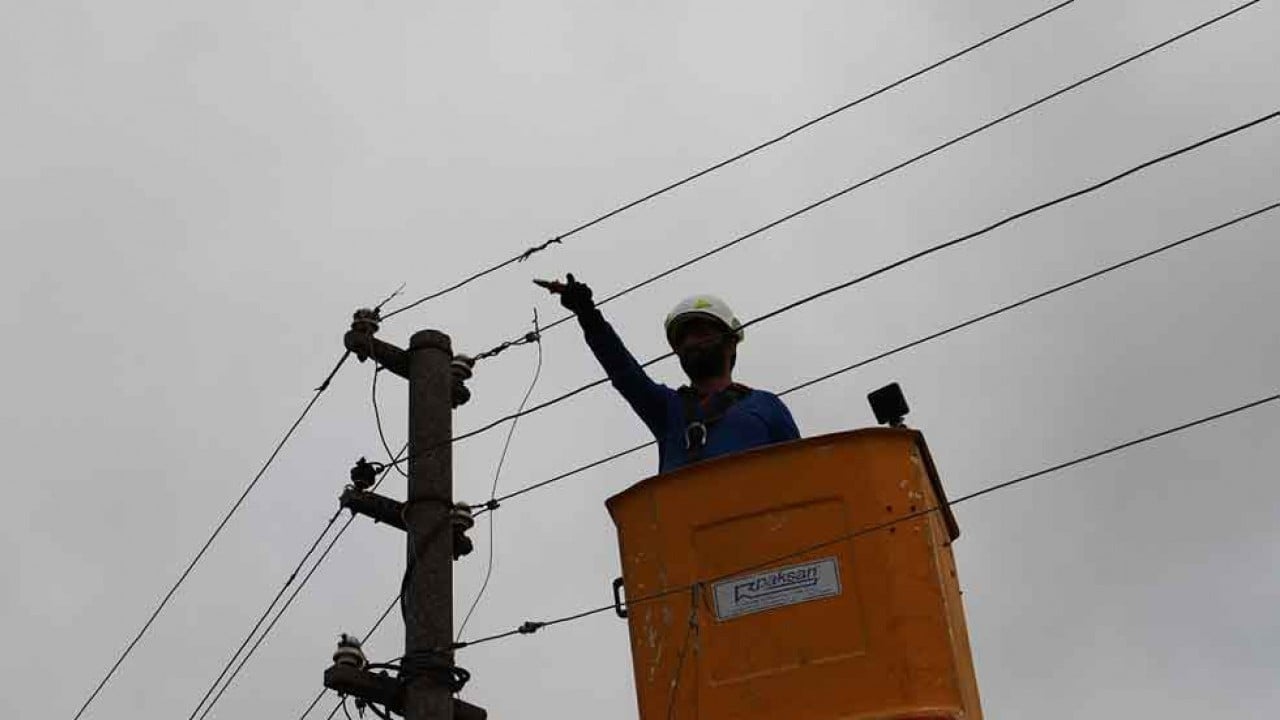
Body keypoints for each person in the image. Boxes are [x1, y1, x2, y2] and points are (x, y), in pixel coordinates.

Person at [536, 274, 800, 474]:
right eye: (683, 338)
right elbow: (623, 371)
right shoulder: (668, 408)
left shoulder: (766, 406)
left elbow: (803, 476)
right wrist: (588, 315)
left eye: (702, 333)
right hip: (688, 537)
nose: (691, 342)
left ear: (731, 343)